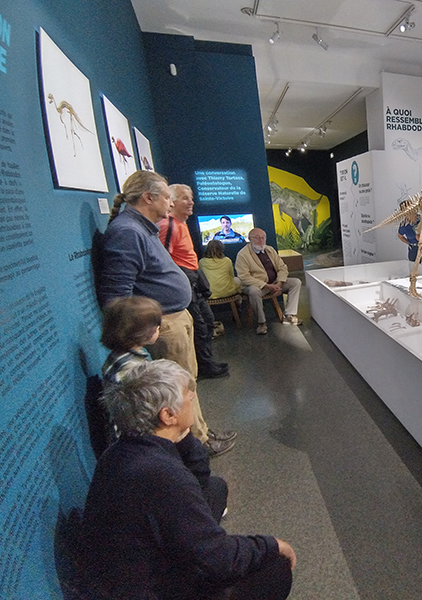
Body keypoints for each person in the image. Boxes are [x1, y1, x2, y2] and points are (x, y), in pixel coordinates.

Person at [81, 360, 295, 600]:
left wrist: (183, 436)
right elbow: (219, 559)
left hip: (132, 566)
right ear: (168, 414)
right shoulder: (163, 476)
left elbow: (199, 484)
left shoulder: (124, 449)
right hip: (148, 589)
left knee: (216, 488)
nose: (193, 395)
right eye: (186, 393)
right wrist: (270, 545)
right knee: (276, 567)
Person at [96, 170, 236, 457]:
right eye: (167, 197)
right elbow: (117, 297)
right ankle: (197, 444)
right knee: (178, 392)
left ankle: (202, 431)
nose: (171, 204)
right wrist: (144, 330)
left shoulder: (142, 229)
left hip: (174, 317)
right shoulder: (127, 232)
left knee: (187, 383)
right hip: (164, 325)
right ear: (148, 197)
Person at [159, 184, 229, 379]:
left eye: (190, 198)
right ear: (171, 202)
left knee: (206, 323)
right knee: (198, 326)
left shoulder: (180, 224)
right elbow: (163, 260)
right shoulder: (168, 226)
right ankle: (203, 367)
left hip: (193, 284)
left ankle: (206, 363)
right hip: (183, 285)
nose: (191, 202)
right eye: (184, 198)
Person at [235, 228, 303, 335]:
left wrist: (279, 283)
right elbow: (244, 276)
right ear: (250, 239)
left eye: (263, 237)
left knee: (296, 282)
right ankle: (262, 322)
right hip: (258, 286)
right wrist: (267, 286)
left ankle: (289, 315)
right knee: (253, 291)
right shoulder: (242, 255)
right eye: (257, 238)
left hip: (275, 283)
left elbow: (282, 267)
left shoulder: (270, 250)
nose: (261, 240)